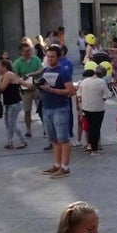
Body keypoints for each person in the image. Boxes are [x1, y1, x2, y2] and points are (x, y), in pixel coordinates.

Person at [38, 45, 77, 179]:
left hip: (60, 108)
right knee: (54, 140)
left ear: (58, 57)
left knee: (63, 139)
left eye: (52, 56)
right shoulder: (45, 70)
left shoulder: (63, 71)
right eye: (48, 56)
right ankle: (56, 164)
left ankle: (65, 167)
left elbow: (71, 91)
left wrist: (52, 90)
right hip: (47, 107)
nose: (49, 59)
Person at [0, 57, 27, 150]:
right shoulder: (2, 76)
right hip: (9, 103)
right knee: (8, 123)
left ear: (5, 67)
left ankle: (22, 141)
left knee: (12, 123)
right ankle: (10, 142)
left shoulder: (9, 74)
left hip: (14, 103)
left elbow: (1, 88)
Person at [12, 40, 44, 139]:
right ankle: (28, 130)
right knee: (27, 110)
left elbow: (41, 70)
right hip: (25, 90)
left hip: (36, 88)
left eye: (29, 50)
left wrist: (30, 74)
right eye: (26, 51)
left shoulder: (36, 59)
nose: (28, 52)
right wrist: (24, 82)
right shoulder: (17, 63)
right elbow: (15, 76)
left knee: (41, 109)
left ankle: (46, 128)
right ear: (21, 52)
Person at [77, 66, 108, 156]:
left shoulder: (84, 81)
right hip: (98, 108)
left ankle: (89, 145)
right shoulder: (101, 82)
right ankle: (94, 149)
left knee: (89, 128)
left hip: (86, 108)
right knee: (96, 128)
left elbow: (78, 93)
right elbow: (107, 94)